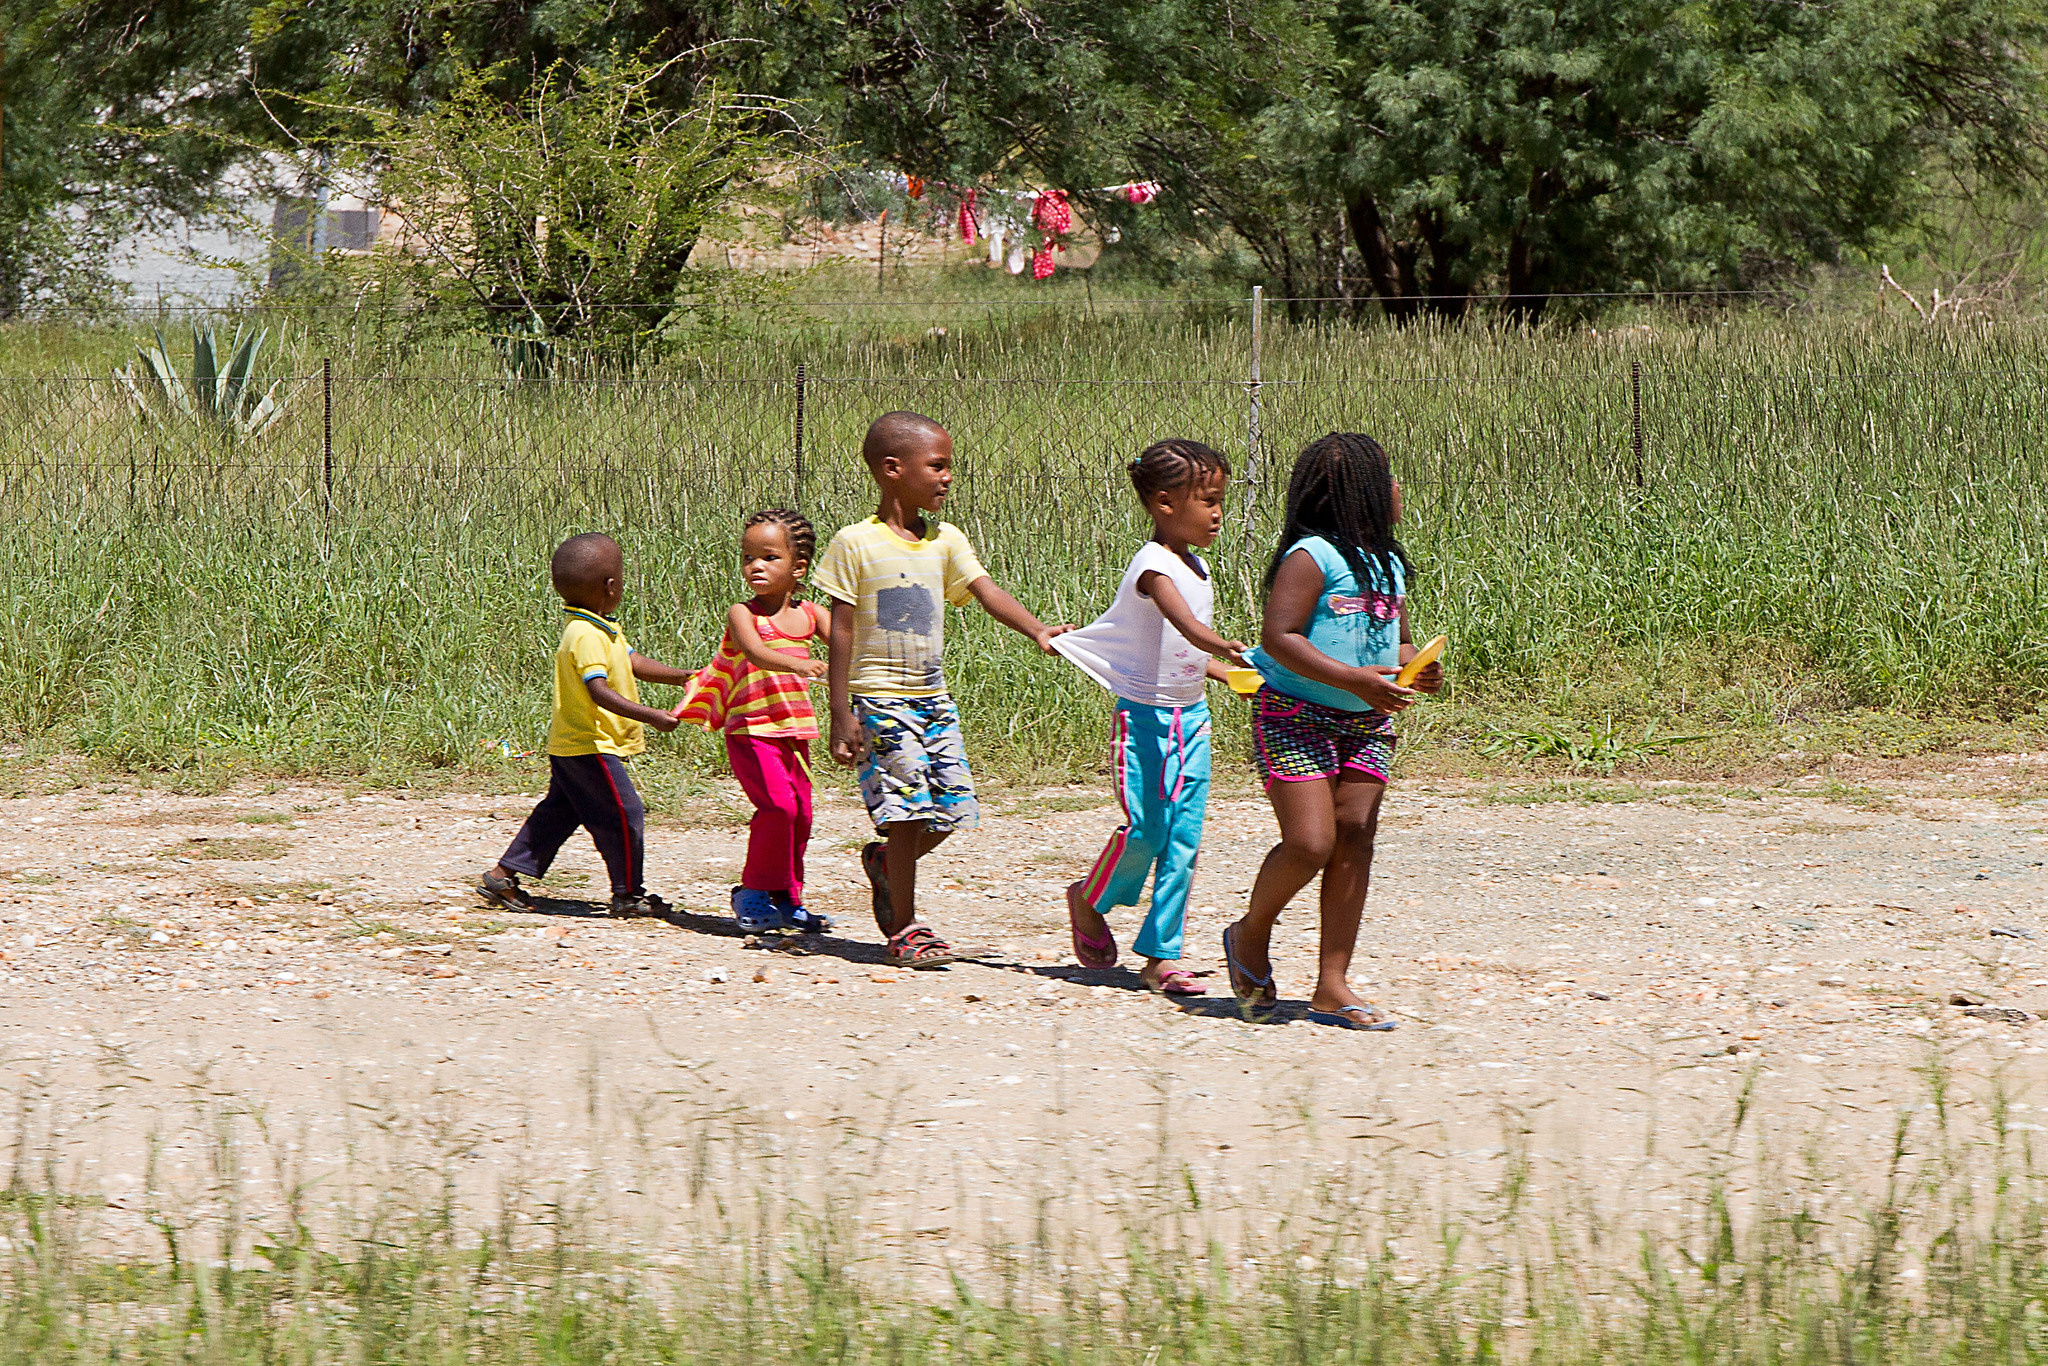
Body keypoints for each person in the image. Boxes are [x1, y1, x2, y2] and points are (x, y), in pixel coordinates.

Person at [814, 411, 1071, 970]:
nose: (948, 476)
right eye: (937, 466)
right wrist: (839, 713)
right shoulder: (854, 543)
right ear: (892, 470)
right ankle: (905, 929)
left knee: (954, 809)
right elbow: (840, 629)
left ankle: (885, 865)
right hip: (878, 697)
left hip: (933, 699)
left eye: (949, 466)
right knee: (907, 813)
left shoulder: (945, 539)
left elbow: (984, 590)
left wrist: (1038, 630)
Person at [1221, 433, 1443, 1029]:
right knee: (1310, 843)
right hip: (1295, 715)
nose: (1397, 488)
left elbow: (1394, 638)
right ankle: (1249, 935)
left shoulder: (1389, 563)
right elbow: (1280, 637)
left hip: (1367, 721)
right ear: (1356, 495)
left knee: (1355, 837)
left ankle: (1331, 984)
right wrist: (1353, 677)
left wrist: (1414, 665)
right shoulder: (1311, 557)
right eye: (1386, 477)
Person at [1052, 439, 1248, 995]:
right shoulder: (1154, 566)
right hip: (1143, 722)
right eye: (1207, 500)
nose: (1217, 513)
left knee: (1184, 838)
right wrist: (1225, 646)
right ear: (1165, 504)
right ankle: (1088, 898)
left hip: (1192, 720)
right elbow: (1186, 626)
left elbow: (1183, 652)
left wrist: (1222, 673)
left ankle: (1164, 954)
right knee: (1147, 830)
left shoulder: (1199, 564)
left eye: (1220, 501)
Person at [477, 532, 691, 918]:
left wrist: (683, 676)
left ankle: (502, 876)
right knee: (624, 814)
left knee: (559, 813)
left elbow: (633, 662)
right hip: (588, 746)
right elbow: (599, 691)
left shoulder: (598, 626)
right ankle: (628, 894)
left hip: (573, 745)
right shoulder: (584, 635)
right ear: (611, 587)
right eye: (621, 578)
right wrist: (653, 716)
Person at [674, 509, 832, 936]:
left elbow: (849, 644)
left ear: (798, 568)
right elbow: (757, 653)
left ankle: (788, 898)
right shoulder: (742, 614)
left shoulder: (812, 616)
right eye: (748, 558)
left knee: (800, 815)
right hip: (751, 731)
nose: (754, 567)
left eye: (768, 558)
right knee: (777, 807)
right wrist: (805, 667)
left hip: (794, 732)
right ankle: (751, 891)